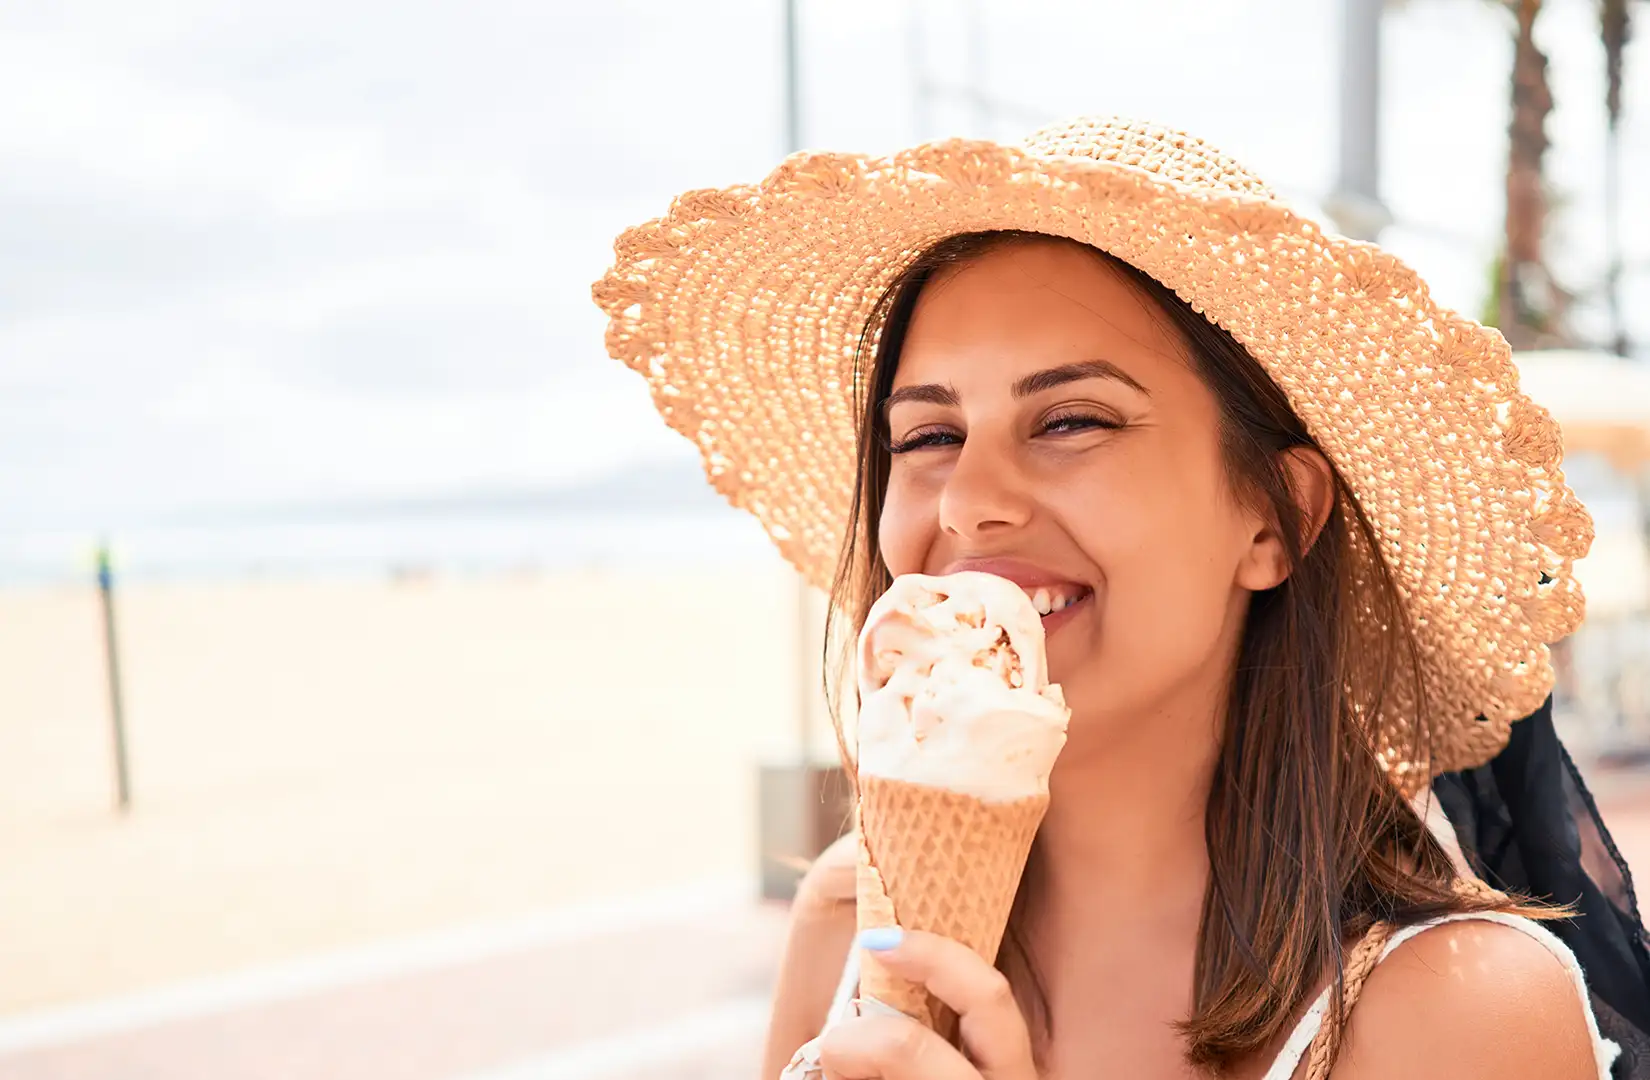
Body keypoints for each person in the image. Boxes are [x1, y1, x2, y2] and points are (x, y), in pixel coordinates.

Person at [593, 118, 1627, 1078]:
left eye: (1071, 421)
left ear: (1275, 522)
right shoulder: (849, 921)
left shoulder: (1460, 1011)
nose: (971, 502)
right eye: (929, 436)